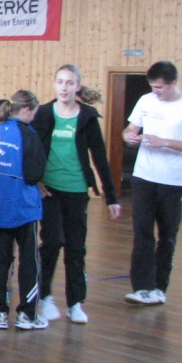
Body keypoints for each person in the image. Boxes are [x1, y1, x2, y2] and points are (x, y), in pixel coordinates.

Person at [33, 64, 121, 323]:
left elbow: (100, 157)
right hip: (49, 191)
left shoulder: (87, 117)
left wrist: (111, 196)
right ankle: (44, 296)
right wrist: (35, 180)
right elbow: (32, 149)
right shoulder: (44, 113)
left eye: (69, 83)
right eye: (60, 82)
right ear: (54, 84)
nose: (64, 87)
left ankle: (75, 303)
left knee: (76, 247)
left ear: (77, 87)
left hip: (77, 190)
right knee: (51, 242)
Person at [122, 60, 182, 305]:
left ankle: (159, 287)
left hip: (172, 181)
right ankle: (141, 287)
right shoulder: (146, 101)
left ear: (173, 83)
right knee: (142, 233)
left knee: (167, 235)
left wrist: (165, 142)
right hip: (144, 177)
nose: (156, 92)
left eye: (160, 87)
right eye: (153, 87)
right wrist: (129, 137)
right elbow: (130, 129)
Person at [0, 92, 47, 330]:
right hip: (24, 209)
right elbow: (34, 174)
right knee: (29, 262)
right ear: (27, 111)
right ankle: (26, 315)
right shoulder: (29, 135)